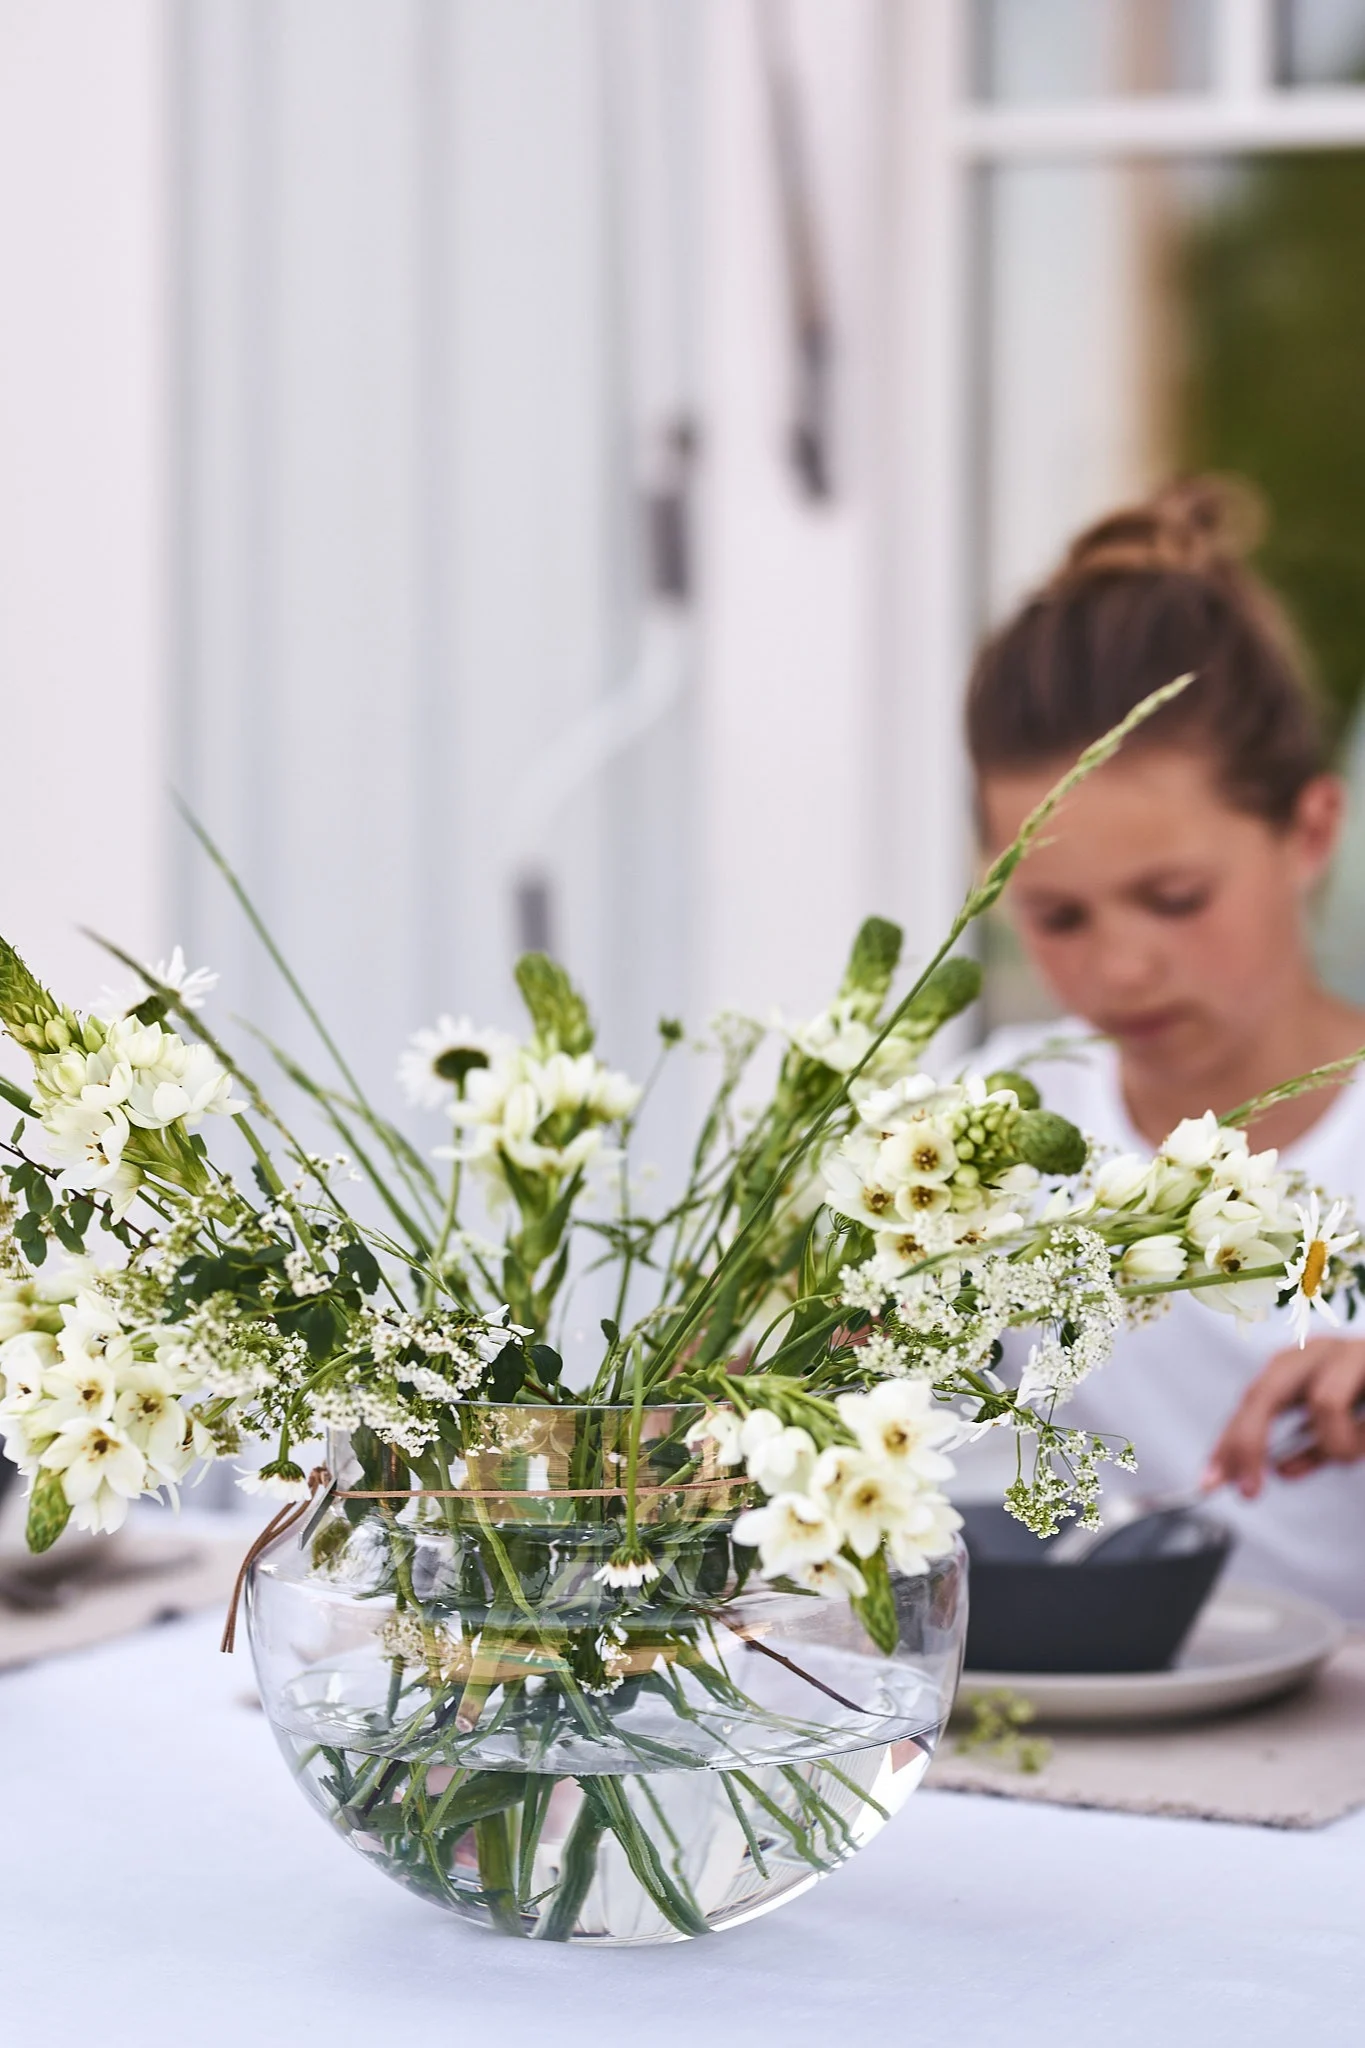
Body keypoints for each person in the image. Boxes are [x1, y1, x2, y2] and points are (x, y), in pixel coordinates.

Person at [963, 477, 1365, 1616]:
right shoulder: (979, 1136)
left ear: (1312, 830)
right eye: (1058, 916)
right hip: (1066, 1747)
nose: (1122, 968)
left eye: (1176, 897)